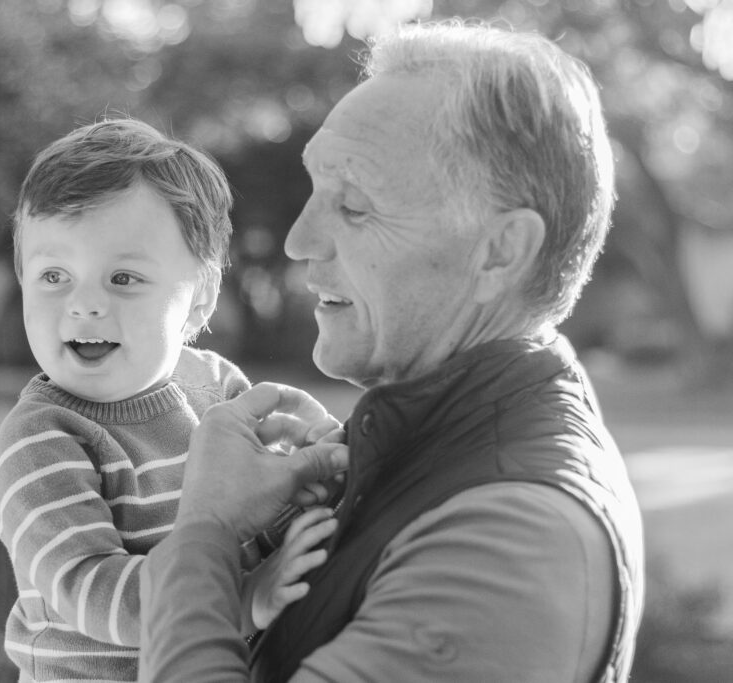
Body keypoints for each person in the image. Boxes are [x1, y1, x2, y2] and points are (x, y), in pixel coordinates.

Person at [138, 20, 645, 682]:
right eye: (315, 190)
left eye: (353, 207)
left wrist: (204, 534)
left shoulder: (511, 541)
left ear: (500, 251)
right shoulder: (418, 445)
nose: (299, 240)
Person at [0, 119, 340, 682]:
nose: (85, 304)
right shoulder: (42, 438)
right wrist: (241, 598)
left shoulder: (217, 388)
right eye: (54, 275)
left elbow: (254, 519)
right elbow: (86, 586)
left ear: (199, 299)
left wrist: (311, 481)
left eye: (123, 278)